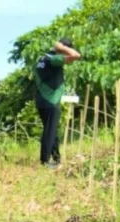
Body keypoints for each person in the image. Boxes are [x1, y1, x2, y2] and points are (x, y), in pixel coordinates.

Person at [35, 38, 81, 168]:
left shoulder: (42, 59)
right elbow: (76, 55)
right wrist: (60, 47)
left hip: (41, 100)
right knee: (50, 131)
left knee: (52, 130)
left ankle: (56, 157)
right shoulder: (53, 59)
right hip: (51, 101)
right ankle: (45, 161)